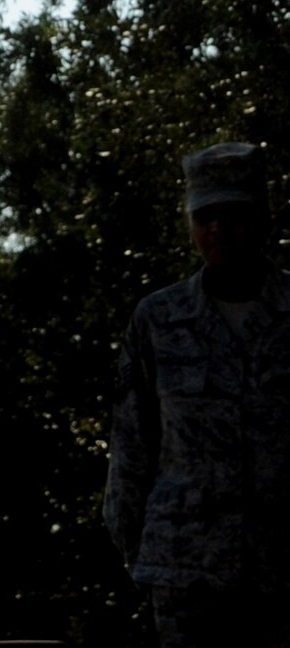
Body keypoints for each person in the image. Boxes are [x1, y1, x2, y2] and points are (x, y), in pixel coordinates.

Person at [105, 141, 290, 646]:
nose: (217, 230)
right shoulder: (159, 320)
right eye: (205, 216)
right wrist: (139, 549)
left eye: (232, 215)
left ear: (260, 219)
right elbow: (131, 447)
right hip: (186, 577)